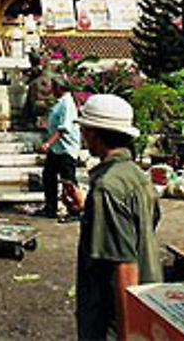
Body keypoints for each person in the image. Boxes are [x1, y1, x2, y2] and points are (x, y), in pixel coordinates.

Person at [64, 94, 162, 340]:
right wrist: (87, 208)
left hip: (113, 319)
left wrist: (127, 334)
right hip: (148, 300)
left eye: (85, 130)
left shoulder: (107, 187)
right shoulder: (137, 176)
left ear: (95, 133)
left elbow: (123, 264)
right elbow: (138, 227)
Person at [36, 75, 81, 218]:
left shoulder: (67, 103)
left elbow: (64, 128)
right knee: (48, 175)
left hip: (66, 149)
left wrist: (48, 143)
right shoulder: (60, 102)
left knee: (68, 180)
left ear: (59, 87)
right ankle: (51, 207)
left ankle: (76, 208)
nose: (51, 89)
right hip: (57, 148)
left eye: (53, 86)